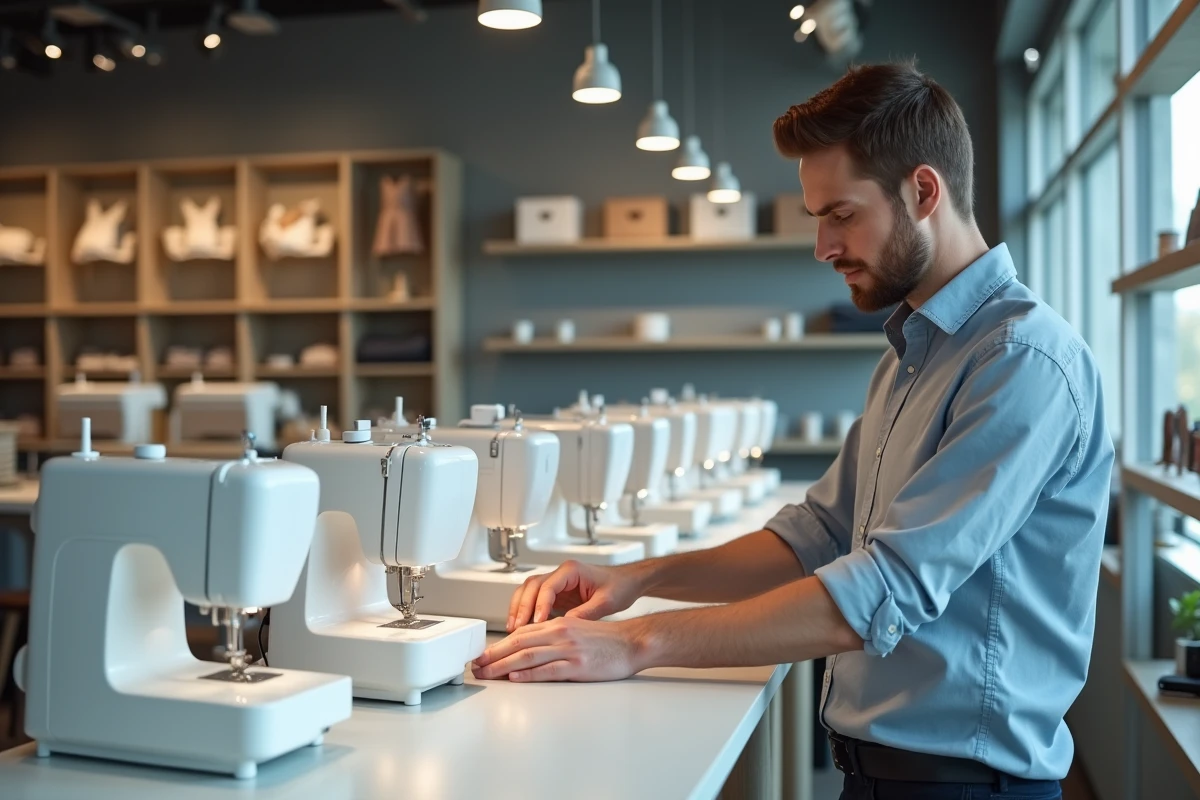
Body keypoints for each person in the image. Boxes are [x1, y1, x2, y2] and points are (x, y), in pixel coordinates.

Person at [472, 61, 1114, 800]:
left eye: (840, 214)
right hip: (882, 775)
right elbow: (817, 534)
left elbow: (883, 588)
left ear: (924, 192)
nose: (823, 246)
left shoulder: (1022, 362)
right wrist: (640, 581)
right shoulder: (915, 351)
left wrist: (635, 643)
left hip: (966, 786)